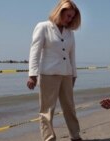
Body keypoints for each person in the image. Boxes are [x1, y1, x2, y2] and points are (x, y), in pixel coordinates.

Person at [27, 0, 82, 141]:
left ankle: (75, 136)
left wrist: (74, 74)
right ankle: (49, 138)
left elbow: (72, 55)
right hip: (48, 74)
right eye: (68, 16)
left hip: (66, 75)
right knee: (47, 111)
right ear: (60, 11)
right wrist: (32, 74)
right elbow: (35, 51)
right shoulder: (43, 27)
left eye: (72, 17)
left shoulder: (70, 33)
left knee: (70, 108)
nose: (70, 20)